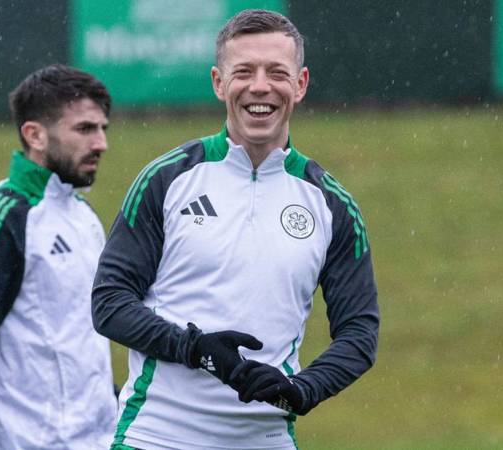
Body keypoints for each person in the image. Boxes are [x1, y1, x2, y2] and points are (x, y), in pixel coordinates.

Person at [92, 9, 379, 449]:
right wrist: (195, 347)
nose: (260, 86)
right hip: (155, 437)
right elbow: (109, 304)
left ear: (300, 85)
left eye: (276, 73)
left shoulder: (331, 204)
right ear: (218, 83)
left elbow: (359, 334)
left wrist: (303, 389)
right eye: (243, 71)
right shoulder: (166, 179)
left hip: (265, 440)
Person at [0, 64, 117, 450]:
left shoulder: (81, 215)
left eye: (102, 128)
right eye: (85, 129)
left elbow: (78, 340)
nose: (101, 143)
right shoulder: (4, 218)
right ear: (34, 134)